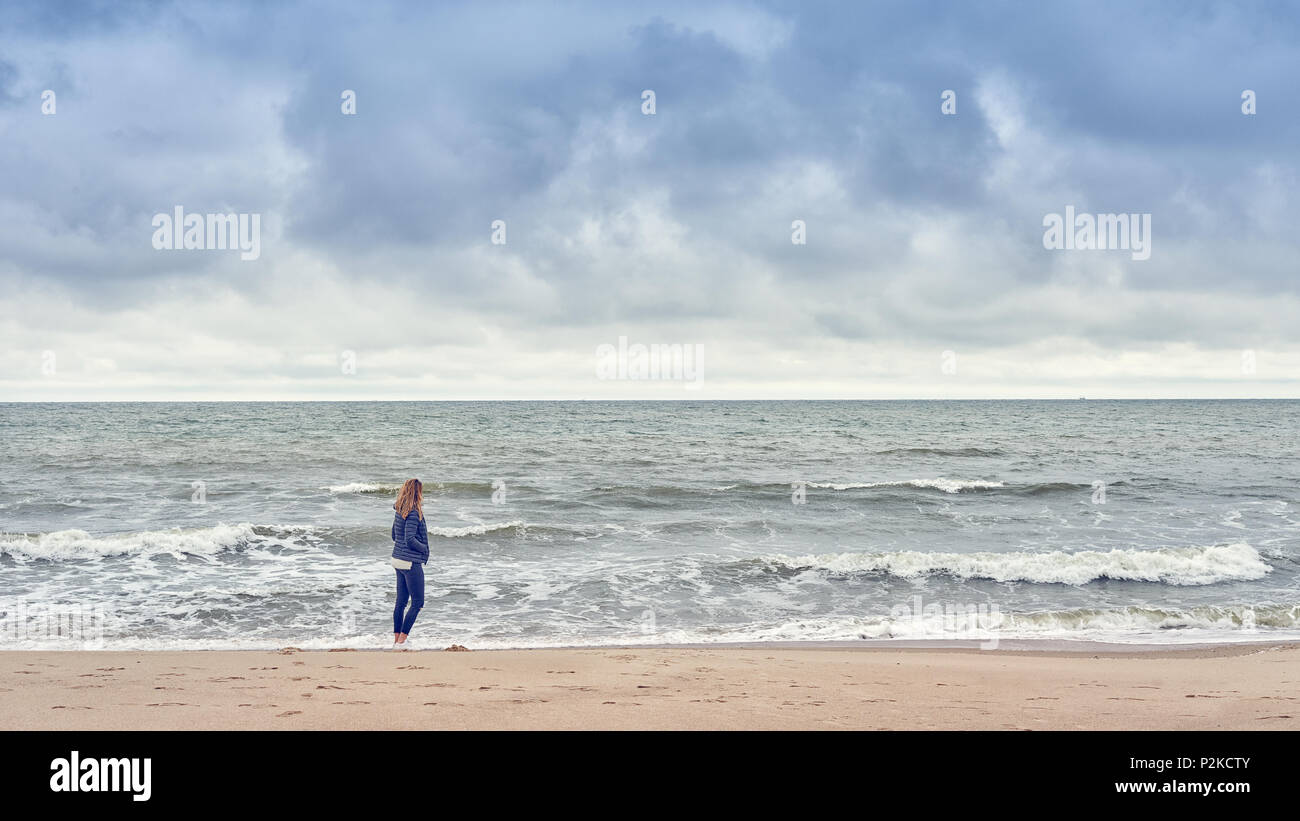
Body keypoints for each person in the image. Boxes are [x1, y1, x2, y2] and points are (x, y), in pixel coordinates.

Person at [390, 478, 429, 649]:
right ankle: (402, 641)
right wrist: (425, 549)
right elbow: (410, 539)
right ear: (417, 493)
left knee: (401, 602)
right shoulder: (413, 513)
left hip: (398, 560)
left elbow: (394, 536)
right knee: (418, 603)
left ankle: (397, 640)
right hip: (410, 562)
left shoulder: (400, 511)